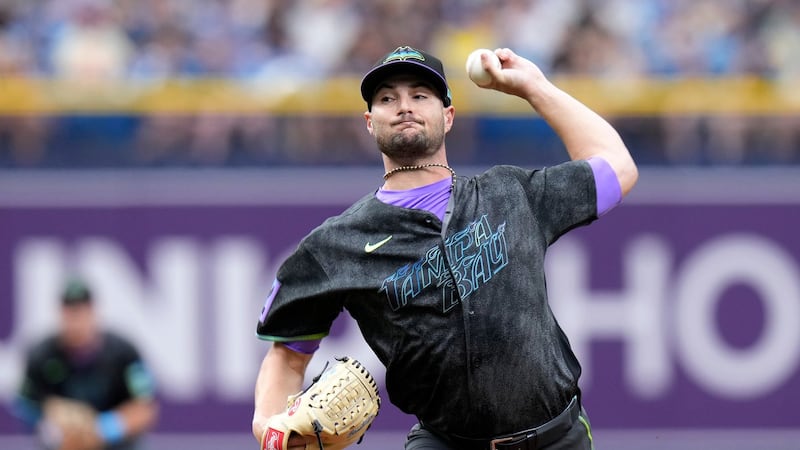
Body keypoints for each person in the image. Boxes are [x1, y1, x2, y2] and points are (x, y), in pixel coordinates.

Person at [252, 45, 638, 450]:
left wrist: (535, 88)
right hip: (445, 443)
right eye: (387, 98)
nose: (404, 106)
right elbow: (288, 355)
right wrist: (271, 429)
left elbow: (618, 168)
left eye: (420, 95)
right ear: (370, 122)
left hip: (557, 437)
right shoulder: (336, 245)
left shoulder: (510, 194)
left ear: (447, 116)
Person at [11, 278, 159, 450]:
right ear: (60, 313)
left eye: (81, 311)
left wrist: (105, 428)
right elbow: (25, 402)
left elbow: (146, 407)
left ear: (93, 312)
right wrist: (52, 419)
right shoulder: (41, 356)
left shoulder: (123, 353)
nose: (76, 320)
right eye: (70, 312)